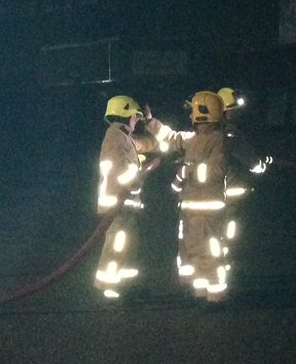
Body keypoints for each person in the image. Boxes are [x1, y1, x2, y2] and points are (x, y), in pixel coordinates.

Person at [156, 90, 230, 302]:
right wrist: (152, 122)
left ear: (203, 114)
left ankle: (215, 296)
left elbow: (217, 170)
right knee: (195, 251)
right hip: (192, 209)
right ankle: (200, 293)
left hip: (206, 210)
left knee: (208, 253)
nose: (190, 117)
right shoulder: (193, 139)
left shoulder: (217, 141)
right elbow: (171, 137)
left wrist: (188, 171)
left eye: (193, 112)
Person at [93, 94, 161, 300]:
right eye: (134, 116)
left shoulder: (123, 137)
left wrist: (153, 125)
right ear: (124, 114)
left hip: (125, 204)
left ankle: (126, 287)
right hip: (117, 203)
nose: (136, 120)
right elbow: (120, 171)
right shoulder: (116, 139)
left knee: (127, 245)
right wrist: (140, 174)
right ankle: (110, 289)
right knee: (117, 245)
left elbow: (147, 145)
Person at [216, 87, 271, 276]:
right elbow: (252, 162)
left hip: (210, 192)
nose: (236, 114)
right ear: (224, 111)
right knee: (228, 233)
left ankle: (215, 267)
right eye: (233, 110)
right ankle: (225, 270)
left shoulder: (208, 132)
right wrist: (262, 165)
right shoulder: (231, 133)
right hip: (231, 192)